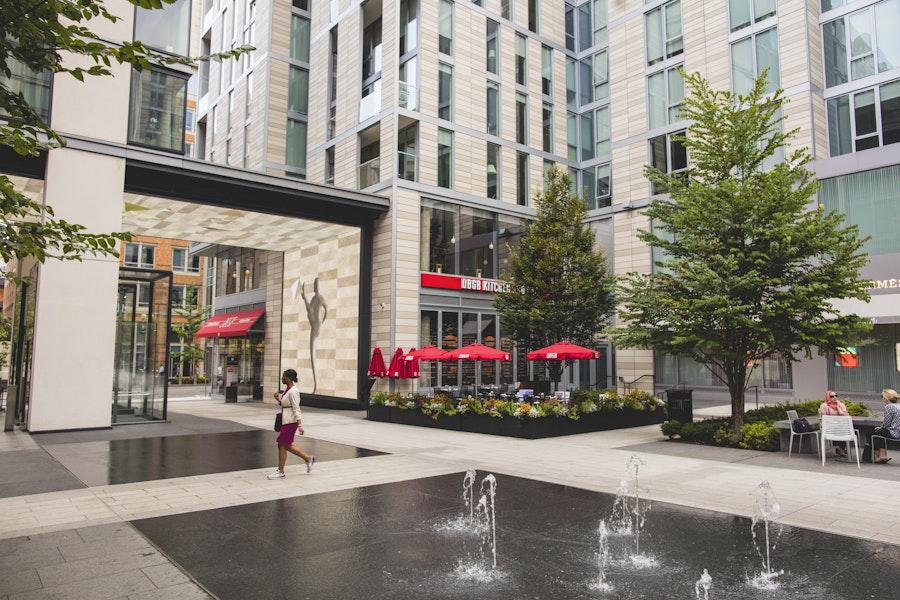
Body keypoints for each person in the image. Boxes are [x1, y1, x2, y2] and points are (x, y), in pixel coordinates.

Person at [268, 369, 315, 479]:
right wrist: (278, 398)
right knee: (285, 445)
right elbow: (285, 403)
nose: (282, 378)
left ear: (289, 378)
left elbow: (296, 408)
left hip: (291, 421)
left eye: (283, 377)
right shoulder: (288, 390)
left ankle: (281, 471)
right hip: (287, 420)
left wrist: (300, 425)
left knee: (282, 444)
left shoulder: (293, 391)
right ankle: (308, 459)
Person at [871, 389, 900, 464]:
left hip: (895, 432)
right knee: (881, 432)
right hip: (898, 431)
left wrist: (881, 427)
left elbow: (887, 422)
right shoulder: (898, 406)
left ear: (885, 398)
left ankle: (880, 455)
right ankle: (882, 455)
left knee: (872, 432)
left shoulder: (889, 407)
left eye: (882, 396)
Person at [819, 390, 849, 458]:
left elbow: (846, 417)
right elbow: (824, 418)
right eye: (832, 396)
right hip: (829, 427)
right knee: (842, 430)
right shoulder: (824, 406)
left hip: (840, 426)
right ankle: (841, 449)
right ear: (828, 397)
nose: (835, 397)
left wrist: (838, 408)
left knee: (845, 430)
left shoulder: (841, 405)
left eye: (836, 396)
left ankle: (841, 449)